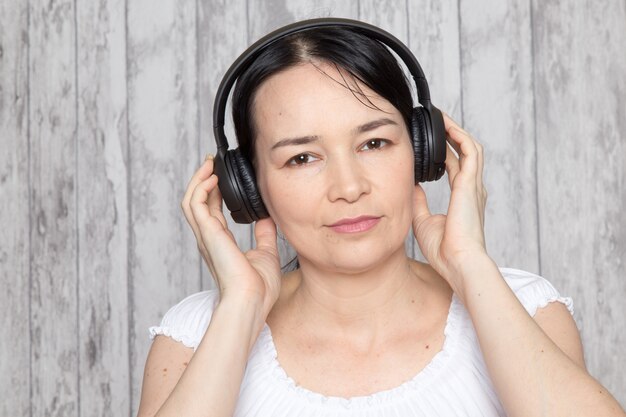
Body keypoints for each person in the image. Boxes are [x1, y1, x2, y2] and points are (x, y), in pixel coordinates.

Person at [136, 19, 625, 417]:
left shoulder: (523, 307)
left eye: (374, 143)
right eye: (302, 158)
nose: (349, 188)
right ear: (247, 186)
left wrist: (470, 264)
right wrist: (240, 307)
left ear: (422, 150)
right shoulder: (198, 334)